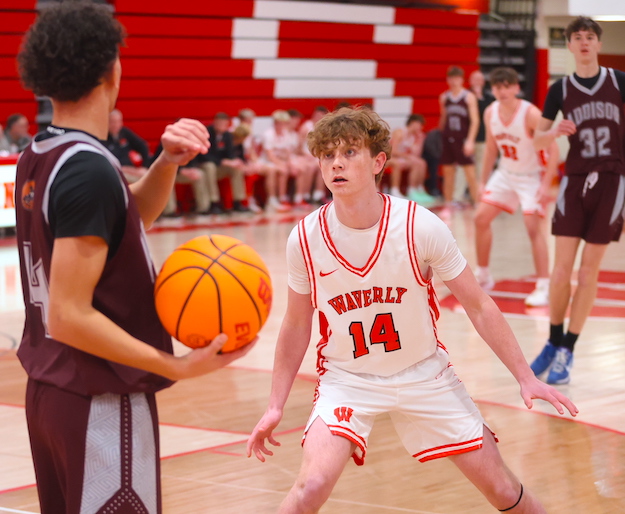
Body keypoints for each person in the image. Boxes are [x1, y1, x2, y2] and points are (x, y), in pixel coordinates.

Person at [247, 107, 577, 513]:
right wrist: (275, 405)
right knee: (310, 486)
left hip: (424, 372)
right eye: (327, 155)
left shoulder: (420, 225)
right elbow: (297, 323)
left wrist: (525, 377)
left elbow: (478, 305)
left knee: (504, 490)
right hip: (349, 379)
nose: (336, 163)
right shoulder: (304, 237)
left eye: (349, 152)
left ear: (378, 162)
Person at [15, 3, 254, 513]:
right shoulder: (88, 169)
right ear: (111, 70)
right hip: (99, 399)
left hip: (53, 390)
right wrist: (176, 366)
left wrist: (166, 162)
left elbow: (119, 223)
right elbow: (68, 314)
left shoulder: (43, 152)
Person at [529, 16, 625, 384]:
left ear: (598, 43)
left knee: (587, 273)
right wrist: (554, 131)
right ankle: (552, 341)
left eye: (589, 36)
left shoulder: (618, 81)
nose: (584, 42)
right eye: (577, 37)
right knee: (561, 270)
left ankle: (568, 348)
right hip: (574, 181)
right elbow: (537, 140)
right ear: (569, 45)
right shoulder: (560, 89)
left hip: (612, 182)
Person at [474, 67, 559, 307]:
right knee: (480, 219)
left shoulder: (530, 113)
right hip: (505, 173)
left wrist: (546, 185)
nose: (502, 91)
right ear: (492, 90)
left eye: (507, 86)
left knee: (533, 228)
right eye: (497, 87)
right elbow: (491, 149)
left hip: (531, 176)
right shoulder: (490, 113)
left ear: (516, 88)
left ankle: (543, 286)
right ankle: (483, 275)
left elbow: (553, 150)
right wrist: (482, 181)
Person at [439, 66, 480, 210]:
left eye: (457, 78)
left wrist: (470, 140)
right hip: (448, 138)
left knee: (470, 173)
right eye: (451, 78)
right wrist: (440, 135)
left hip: (463, 139)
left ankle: (478, 203)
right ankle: (448, 203)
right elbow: (443, 118)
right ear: (447, 79)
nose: (454, 81)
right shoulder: (444, 97)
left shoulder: (468, 96)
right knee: (448, 172)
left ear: (462, 80)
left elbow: (475, 120)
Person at [201, 112, 250, 214]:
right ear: (215, 122)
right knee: (210, 167)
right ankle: (214, 202)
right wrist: (222, 161)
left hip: (220, 167)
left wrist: (235, 161)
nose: (222, 126)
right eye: (220, 123)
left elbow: (230, 153)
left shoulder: (227, 135)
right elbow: (204, 155)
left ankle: (238, 201)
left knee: (236, 167)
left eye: (224, 124)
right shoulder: (207, 134)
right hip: (206, 165)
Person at [386, 113, 436, 205]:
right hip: (390, 157)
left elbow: (417, 154)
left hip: (401, 157)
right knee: (399, 163)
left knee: (421, 163)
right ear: (413, 123)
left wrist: (420, 140)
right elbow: (392, 151)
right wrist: (407, 157)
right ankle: (395, 190)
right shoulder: (399, 132)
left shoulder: (414, 136)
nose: (421, 128)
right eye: (420, 125)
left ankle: (417, 189)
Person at [106, 108, 151, 183]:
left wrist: (144, 166)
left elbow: (142, 146)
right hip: (116, 172)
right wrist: (123, 169)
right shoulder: (104, 138)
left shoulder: (124, 132)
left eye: (118, 121)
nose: (116, 125)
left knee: (150, 176)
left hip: (132, 169)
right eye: (113, 122)